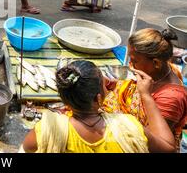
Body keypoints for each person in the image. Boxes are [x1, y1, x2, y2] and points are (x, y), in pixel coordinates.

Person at [22, 60, 177, 153]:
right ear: (98, 98)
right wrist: (146, 96)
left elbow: (28, 147)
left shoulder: (48, 129)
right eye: (105, 86)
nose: (109, 88)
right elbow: (168, 147)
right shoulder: (129, 126)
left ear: (64, 99)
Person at [103, 28, 187, 149]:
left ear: (156, 63)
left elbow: (155, 143)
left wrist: (145, 95)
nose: (130, 65)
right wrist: (113, 83)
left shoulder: (172, 99)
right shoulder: (163, 70)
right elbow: (134, 87)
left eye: (134, 60)